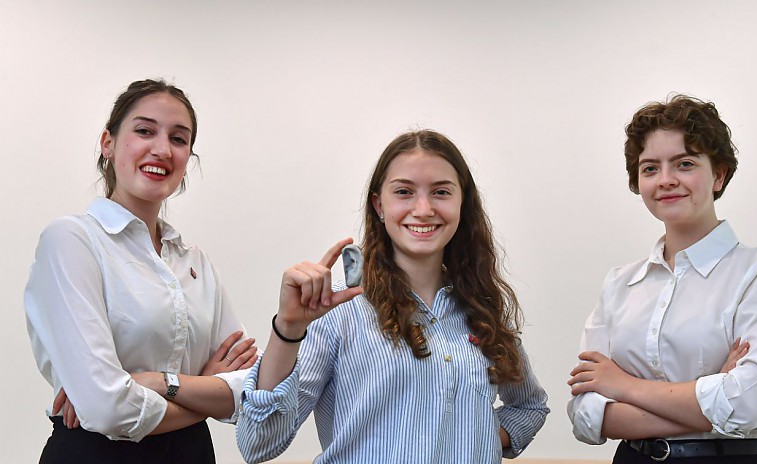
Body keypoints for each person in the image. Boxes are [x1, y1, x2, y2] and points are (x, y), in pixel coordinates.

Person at [236, 130, 549, 463]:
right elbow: (258, 443)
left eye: (441, 192)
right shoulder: (337, 310)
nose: (424, 209)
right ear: (379, 205)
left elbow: (529, 406)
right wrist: (287, 329)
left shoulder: (481, 308)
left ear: (462, 203)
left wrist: (476, 436)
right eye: (404, 192)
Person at [24, 79, 258, 464]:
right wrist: (205, 394)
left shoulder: (194, 262)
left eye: (179, 139)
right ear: (108, 143)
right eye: (145, 131)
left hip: (193, 454)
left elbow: (248, 386)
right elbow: (106, 408)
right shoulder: (71, 241)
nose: (163, 149)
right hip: (95, 454)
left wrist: (155, 383)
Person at [567, 95, 757, 463]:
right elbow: (586, 415)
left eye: (685, 163)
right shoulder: (619, 284)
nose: (666, 180)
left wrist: (624, 385)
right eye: (649, 168)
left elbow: (748, 404)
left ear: (719, 174)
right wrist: (707, 400)